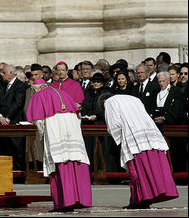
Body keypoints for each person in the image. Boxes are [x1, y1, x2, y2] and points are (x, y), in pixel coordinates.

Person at [101, 93, 179, 209]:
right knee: (152, 167)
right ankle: (148, 198)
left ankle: (139, 199)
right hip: (150, 132)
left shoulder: (109, 102)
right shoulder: (134, 98)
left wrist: (119, 140)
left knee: (137, 170)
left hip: (133, 136)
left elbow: (114, 123)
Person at [26, 79, 91, 212]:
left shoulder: (39, 95)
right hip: (72, 128)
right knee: (74, 160)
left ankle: (65, 202)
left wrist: (41, 134)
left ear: (37, 88)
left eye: (33, 89)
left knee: (61, 162)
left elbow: (38, 120)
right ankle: (79, 199)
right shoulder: (63, 94)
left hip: (55, 128)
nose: (33, 92)